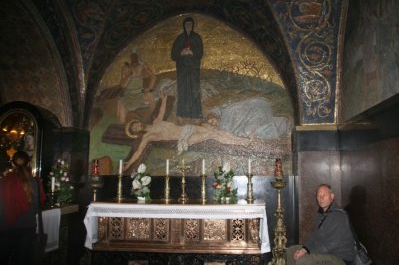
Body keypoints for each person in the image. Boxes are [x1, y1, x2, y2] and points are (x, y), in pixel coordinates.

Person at [122, 91, 253, 172]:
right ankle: (243, 142)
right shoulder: (148, 136)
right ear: (137, 132)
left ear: (138, 122)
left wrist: (164, 99)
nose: (138, 126)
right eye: (135, 129)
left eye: (136, 124)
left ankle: (243, 141)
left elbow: (161, 111)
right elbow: (138, 151)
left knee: (213, 130)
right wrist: (128, 164)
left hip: (187, 129)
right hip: (184, 139)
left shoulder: (156, 122)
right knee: (212, 134)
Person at [287, 184, 355, 265]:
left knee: (304, 261)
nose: (321, 198)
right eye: (318, 196)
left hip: (340, 258)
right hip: (326, 253)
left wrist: (308, 252)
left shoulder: (339, 216)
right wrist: (304, 249)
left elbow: (331, 245)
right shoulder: (321, 214)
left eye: (324, 195)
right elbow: (314, 237)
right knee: (291, 251)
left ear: (332, 196)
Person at [0, 151, 45, 265]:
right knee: (23, 260)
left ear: (13, 164)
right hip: (27, 227)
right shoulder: (35, 181)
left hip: (6, 227)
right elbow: (38, 205)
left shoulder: (3, 181)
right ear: (28, 164)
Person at [204, 97, 291, 140]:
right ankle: (284, 123)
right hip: (250, 124)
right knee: (254, 130)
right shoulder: (221, 131)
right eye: (211, 124)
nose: (212, 123)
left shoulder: (223, 114)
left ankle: (285, 122)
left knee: (253, 127)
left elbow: (217, 111)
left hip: (252, 110)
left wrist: (211, 115)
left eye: (211, 121)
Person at [171, 17, 204, 124]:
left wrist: (192, 52)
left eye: (190, 24)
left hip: (193, 69)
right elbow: (173, 55)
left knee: (194, 90)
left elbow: (200, 53)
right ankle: (181, 114)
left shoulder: (196, 38)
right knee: (182, 90)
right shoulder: (179, 38)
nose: (188, 26)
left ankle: (196, 114)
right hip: (182, 69)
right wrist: (181, 52)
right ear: (184, 26)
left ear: (193, 25)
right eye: (187, 24)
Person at [116, 50, 157, 124]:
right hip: (127, 95)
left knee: (150, 95)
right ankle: (121, 128)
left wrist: (149, 88)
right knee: (121, 115)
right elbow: (122, 86)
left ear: (138, 57)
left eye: (136, 56)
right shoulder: (125, 68)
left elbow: (153, 77)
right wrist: (129, 76)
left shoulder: (142, 66)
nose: (134, 58)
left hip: (139, 93)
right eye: (132, 56)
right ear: (130, 57)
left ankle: (154, 118)